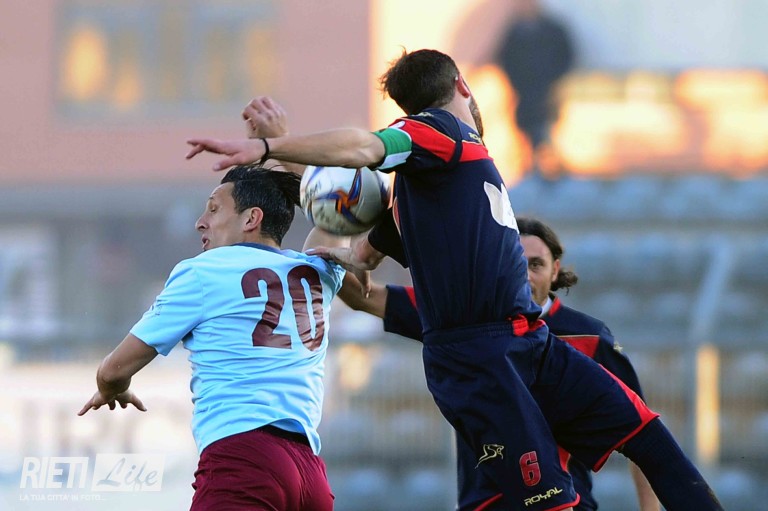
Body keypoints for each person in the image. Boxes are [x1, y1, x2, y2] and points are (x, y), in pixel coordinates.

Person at [185, 49, 722, 511]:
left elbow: (362, 251)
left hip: (528, 342)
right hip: (479, 359)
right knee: (553, 503)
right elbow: (365, 149)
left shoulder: (428, 189)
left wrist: (300, 176)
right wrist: (272, 150)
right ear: (463, 85)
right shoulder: (443, 132)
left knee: (648, 435)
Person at [337, 216, 660, 511]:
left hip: (565, 503)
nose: (526, 274)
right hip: (484, 504)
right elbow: (361, 297)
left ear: (555, 270)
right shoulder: (460, 317)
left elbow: (641, 434)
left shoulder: (590, 337)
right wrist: (332, 236)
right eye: (517, 261)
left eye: (537, 264)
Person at [78, 164, 345, 511]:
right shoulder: (319, 271)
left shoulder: (203, 272)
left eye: (214, 209)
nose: (200, 222)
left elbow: (113, 369)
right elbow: (337, 215)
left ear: (251, 219)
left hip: (244, 461)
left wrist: (113, 388)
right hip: (311, 477)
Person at [495, 0, 574, 179]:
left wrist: (552, 78)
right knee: (528, 133)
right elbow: (506, 59)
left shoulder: (553, 30)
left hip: (547, 93)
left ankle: (553, 170)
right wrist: (517, 82)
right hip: (524, 94)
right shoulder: (515, 33)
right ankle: (532, 167)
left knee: (546, 131)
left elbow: (566, 55)